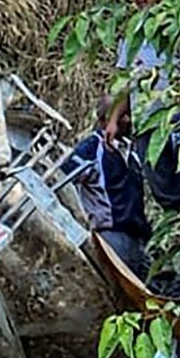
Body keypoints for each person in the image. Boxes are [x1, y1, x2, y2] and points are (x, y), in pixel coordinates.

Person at [62, 97, 152, 278]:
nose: (127, 120)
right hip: (110, 237)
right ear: (105, 120)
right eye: (121, 116)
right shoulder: (91, 149)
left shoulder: (131, 153)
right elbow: (64, 181)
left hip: (137, 238)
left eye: (128, 115)